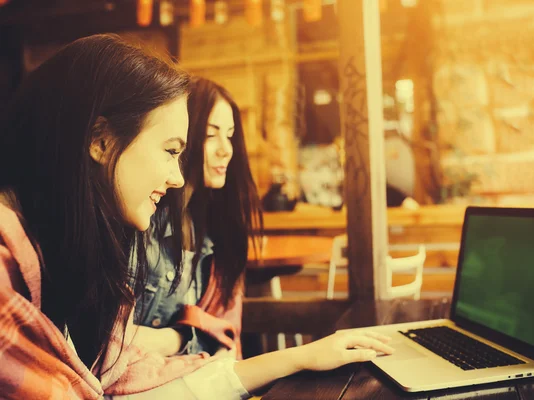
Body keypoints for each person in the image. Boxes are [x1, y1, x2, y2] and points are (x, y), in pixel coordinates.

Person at [0, 34, 394, 400]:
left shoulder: (82, 252)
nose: (176, 176)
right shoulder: (15, 265)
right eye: (172, 150)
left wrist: (297, 357)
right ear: (100, 141)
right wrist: (187, 335)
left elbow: (130, 374)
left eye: (230, 136)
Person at [129, 77, 261, 359]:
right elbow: (108, 343)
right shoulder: (139, 220)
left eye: (230, 135)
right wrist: (180, 337)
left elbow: (225, 340)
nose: (225, 149)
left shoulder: (217, 229)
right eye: (211, 135)